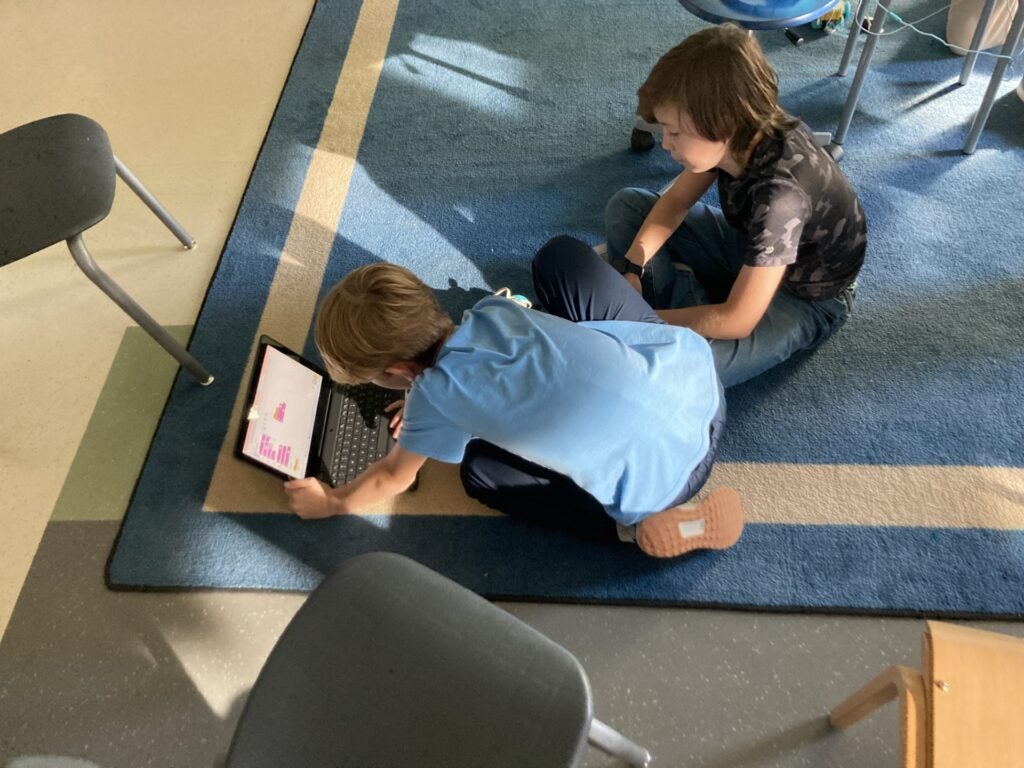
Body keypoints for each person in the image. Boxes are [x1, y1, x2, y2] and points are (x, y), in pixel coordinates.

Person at [284, 236, 743, 558]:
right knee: (559, 258)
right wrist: (427, 406)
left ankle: (632, 527)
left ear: (399, 372)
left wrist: (333, 502)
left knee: (478, 471)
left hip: (662, 487)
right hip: (698, 385)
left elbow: (390, 478)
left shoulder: (434, 399)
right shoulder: (494, 309)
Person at [606, 23, 867, 387]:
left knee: (683, 374)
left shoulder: (780, 197)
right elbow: (677, 200)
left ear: (723, 123)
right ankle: (685, 300)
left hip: (807, 298)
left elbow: (738, 320)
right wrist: (634, 265)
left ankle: (682, 300)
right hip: (753, 249)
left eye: (675, 132)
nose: (666, 143)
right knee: (627, 207)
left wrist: (643, 318)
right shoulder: (742, 127)